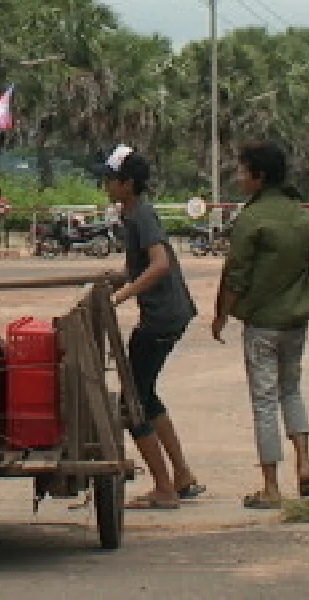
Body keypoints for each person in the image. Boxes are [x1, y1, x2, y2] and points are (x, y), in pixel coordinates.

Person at [211, 141, 309, 509]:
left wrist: (221, 315)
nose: (238, 177)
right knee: (292, 391)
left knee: (265, 401)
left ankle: (270, 485)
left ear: (259, 176)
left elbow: (235, 276)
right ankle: (305, 464)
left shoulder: (251, 220)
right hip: (296, 323)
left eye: (241, 171)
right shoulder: (304, 217)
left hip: (261, 325)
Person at [100, 145, 202, 510]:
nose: (106, 186)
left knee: (134, 402)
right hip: (169, 313)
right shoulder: (134, 216)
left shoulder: (141, 216)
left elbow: (159, 264)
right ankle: (182, 474)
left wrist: (123, 294)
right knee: (147, 393)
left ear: (128, 184)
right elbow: (144, 263)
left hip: (162, 316)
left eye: (110, 181)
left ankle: (163, 487)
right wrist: (120, 278)